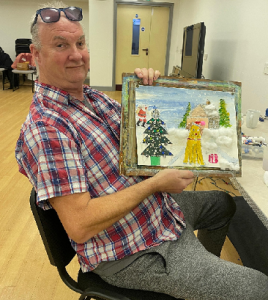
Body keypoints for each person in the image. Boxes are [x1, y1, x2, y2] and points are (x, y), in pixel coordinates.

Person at [15, 2, 268, 299]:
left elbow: (146, 140)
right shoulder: (47, 128)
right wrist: (156, 184)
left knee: (222, 203)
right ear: (36, 55)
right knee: (259, 288)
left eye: (80, 42)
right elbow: (80, 225)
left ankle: (197, 282)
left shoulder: (93, 98)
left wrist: (152, 92)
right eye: (61, 45)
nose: (76, 54)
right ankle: (194, 277)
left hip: (156, 213)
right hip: (129, 251)